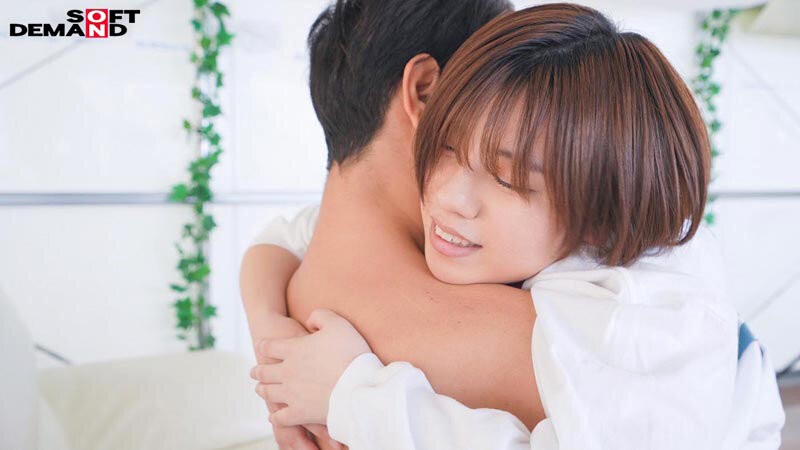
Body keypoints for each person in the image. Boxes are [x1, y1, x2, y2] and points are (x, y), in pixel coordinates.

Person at [248, 3, 786, 449]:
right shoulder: (504, 286)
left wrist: (352, 394)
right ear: (428, 93)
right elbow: (283, 235)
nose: (449, 197)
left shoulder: (615, 325)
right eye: (450, 146)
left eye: (507, 178)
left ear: (597, 219)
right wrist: (269, 329)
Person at [238, 1, 549, 449]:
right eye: (499, 91)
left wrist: (265, 319)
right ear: (425, 91)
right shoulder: (532, 339)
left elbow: (282, 235)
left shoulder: (294, 291)